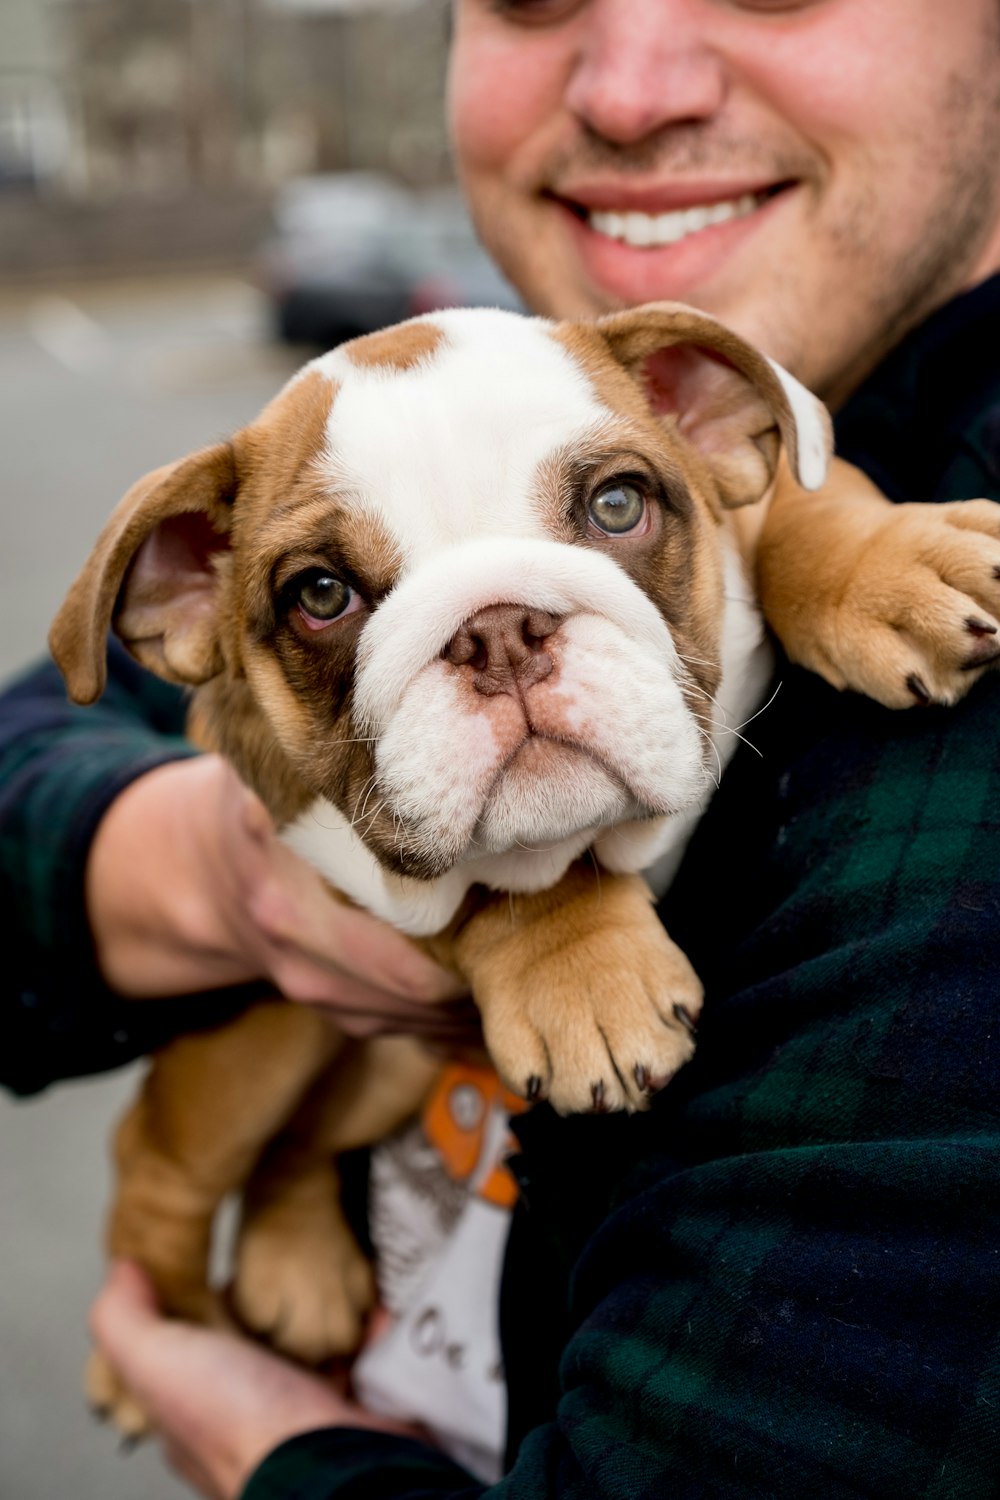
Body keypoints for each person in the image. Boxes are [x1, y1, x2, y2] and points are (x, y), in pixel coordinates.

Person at [6, 0, 1000, 1494]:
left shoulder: (941, 817)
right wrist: (206, 864)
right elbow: (41, 744)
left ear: (720, 420)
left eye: (606, 505)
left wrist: (266, 1450)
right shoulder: (447, 409)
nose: (633, 85)